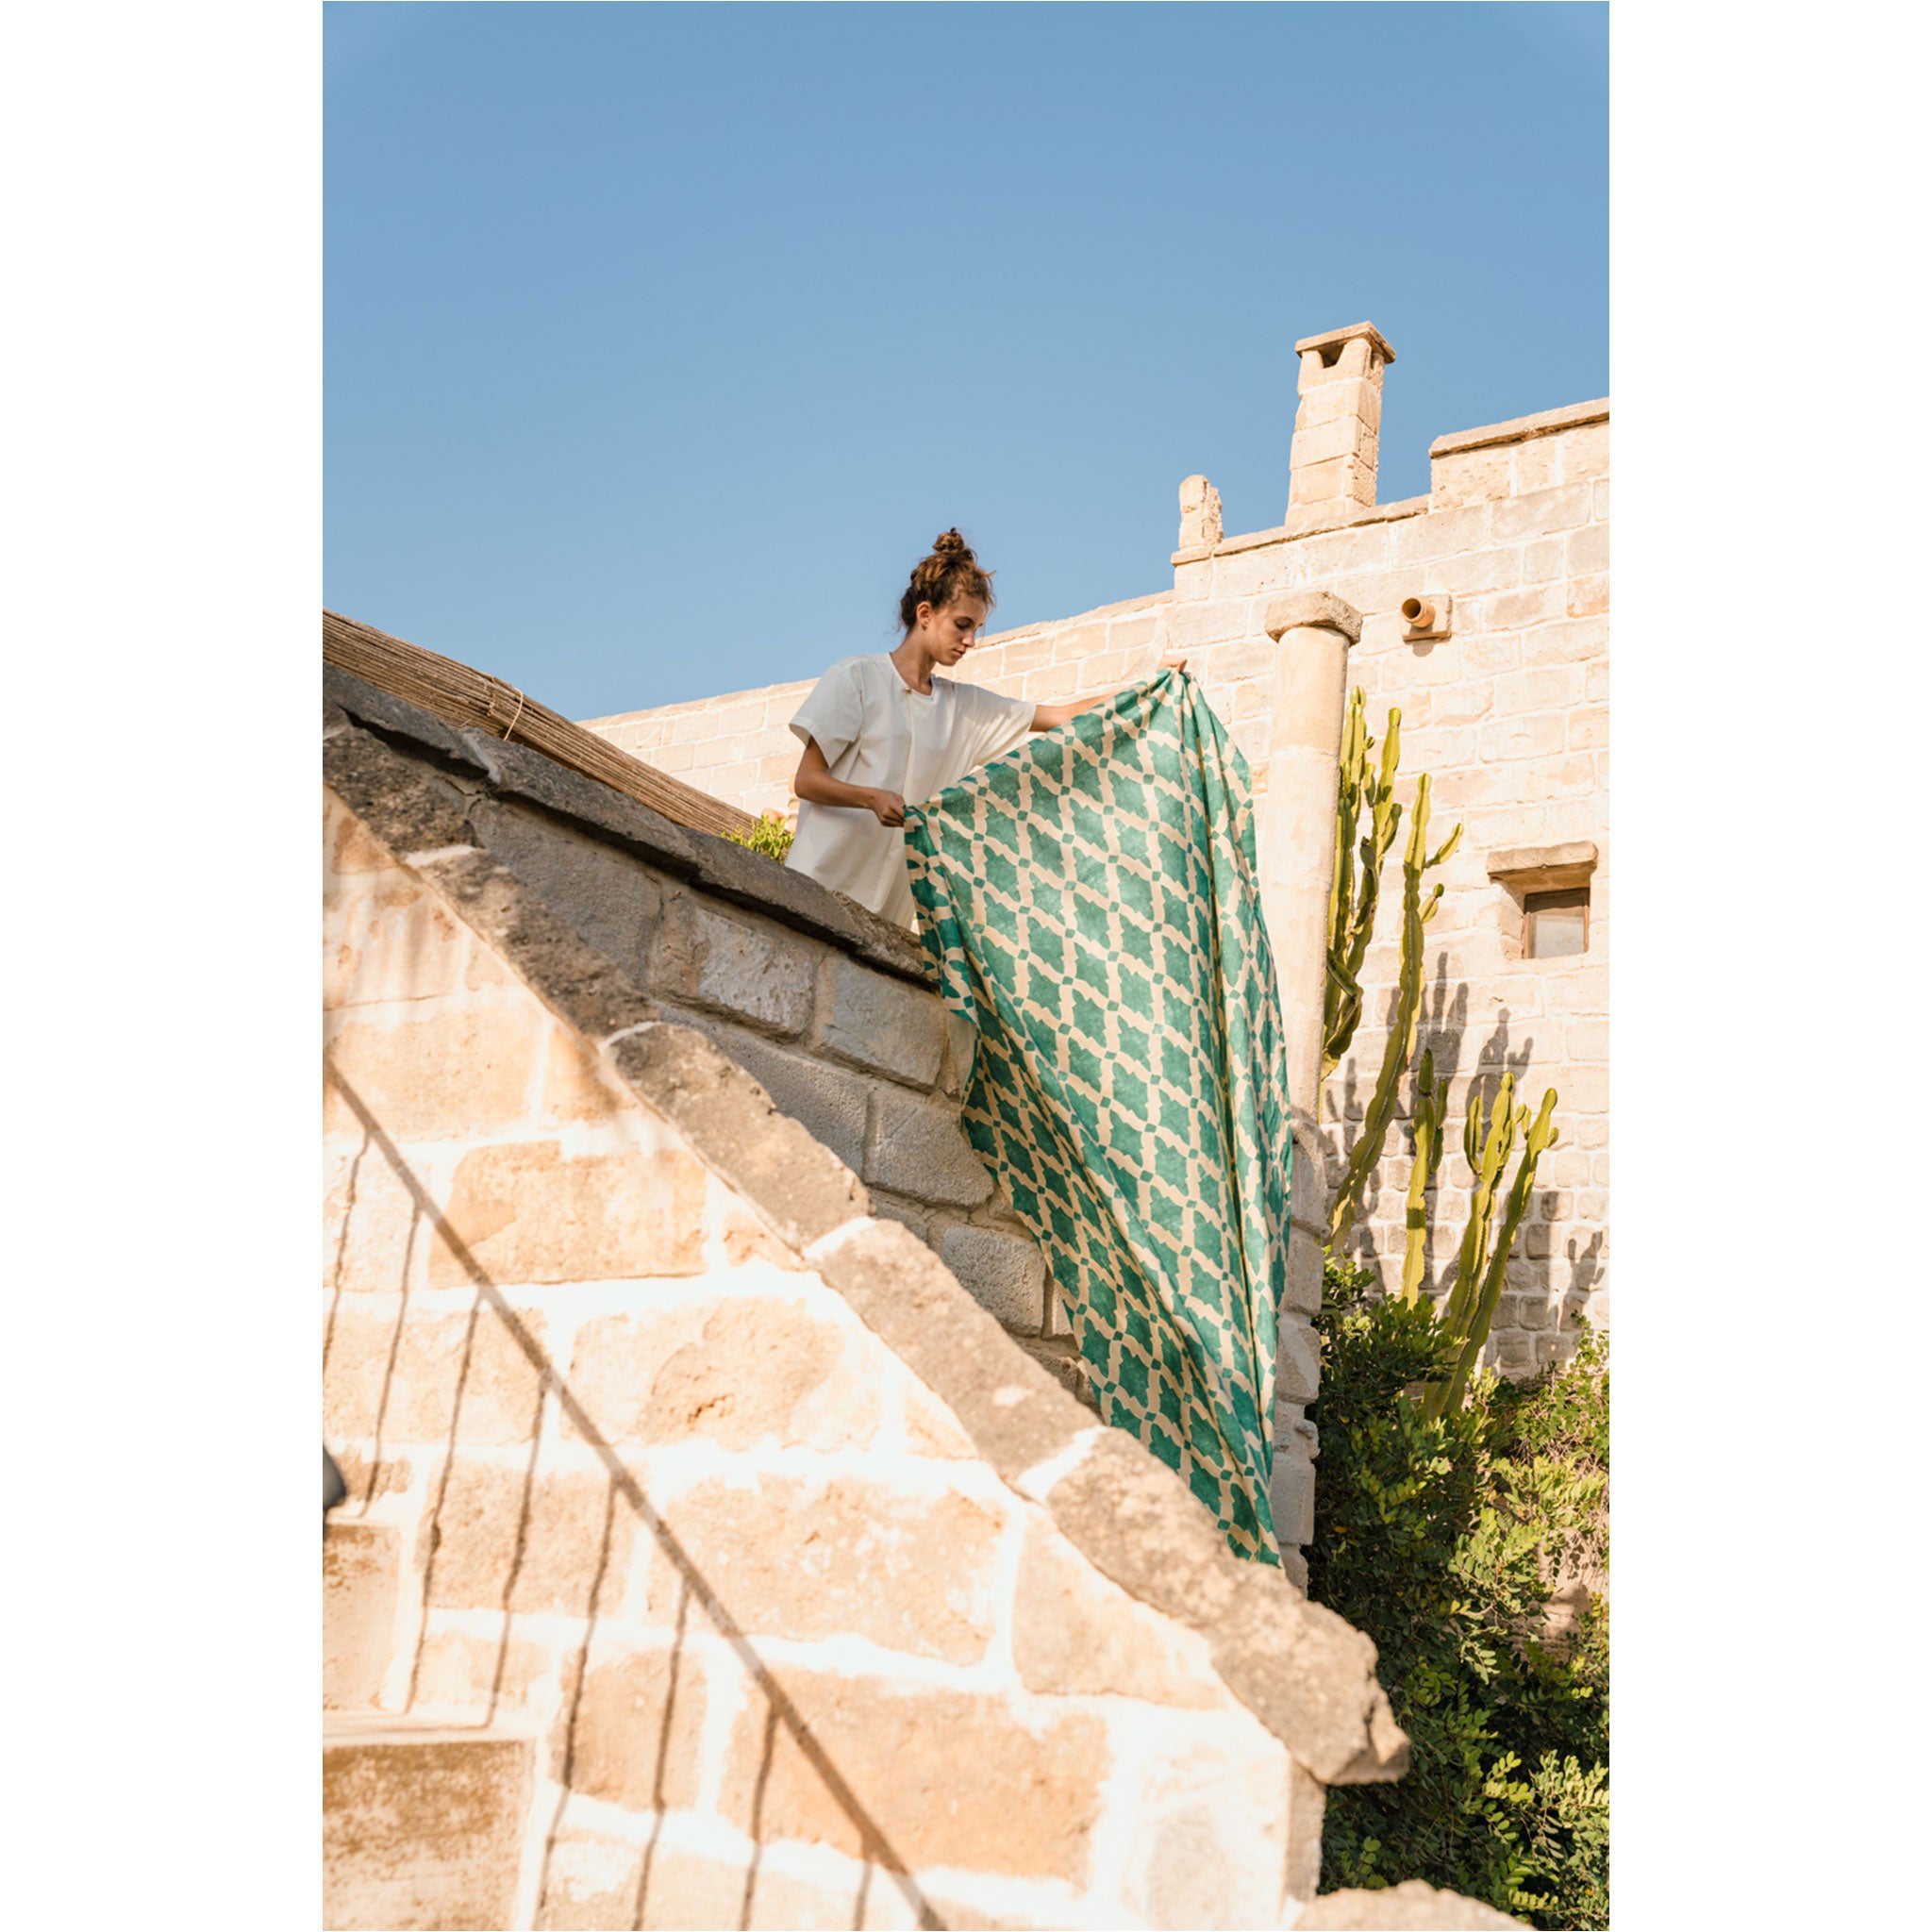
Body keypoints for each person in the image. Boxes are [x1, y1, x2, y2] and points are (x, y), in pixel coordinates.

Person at [785, 528, 1184, 926]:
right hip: (814, 892)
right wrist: (871, 798)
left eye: (976, 628)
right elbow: (807, 781)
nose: (971, 640)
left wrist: (1148, 686)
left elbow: (1061, 716)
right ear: (925, 614)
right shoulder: (857, 678)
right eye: (962, 625)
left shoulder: (964, 708)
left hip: (881, 921)